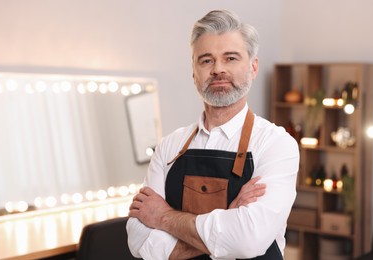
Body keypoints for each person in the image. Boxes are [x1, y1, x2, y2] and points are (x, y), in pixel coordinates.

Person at [127, 9, 299, 260]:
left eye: (230, 58)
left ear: (253, 67)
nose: (218, 69)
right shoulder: (168, 146)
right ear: (193, 71)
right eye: (206, 60)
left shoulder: (276, 144)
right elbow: (138, 239)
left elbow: (248, 240)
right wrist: (228, 218)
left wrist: (163, 217)